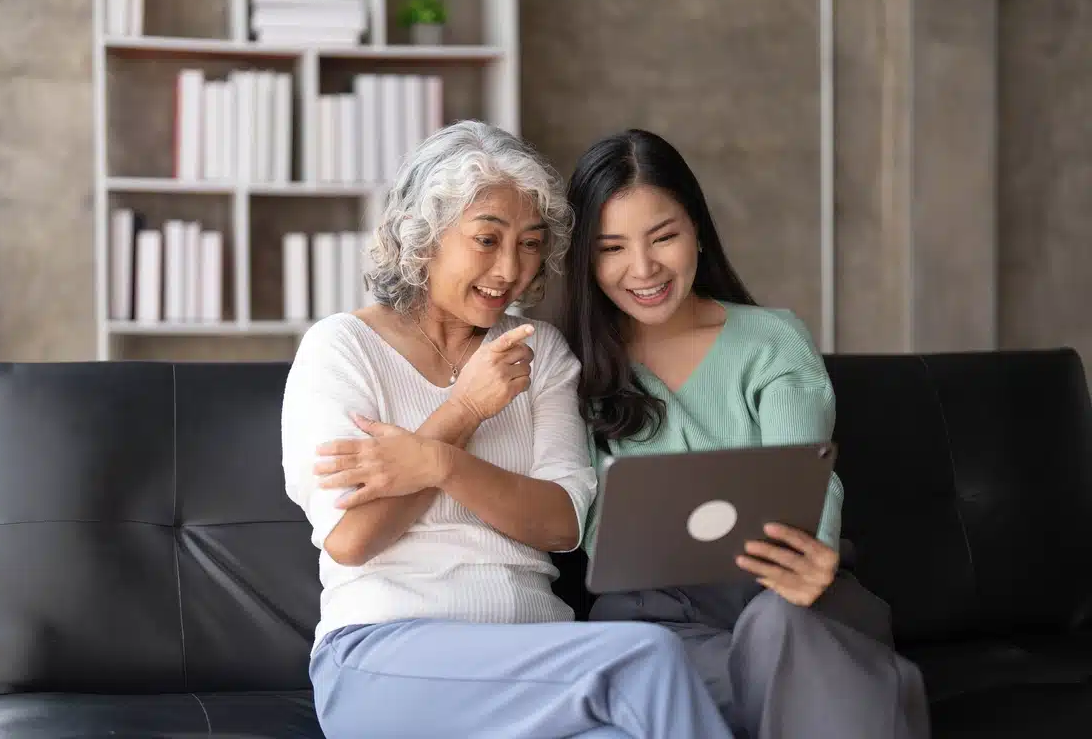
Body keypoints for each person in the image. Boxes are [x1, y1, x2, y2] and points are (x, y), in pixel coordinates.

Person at [282, 120, 733, 739]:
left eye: (529, 244)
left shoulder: (538, 351)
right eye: (486, 239)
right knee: (648, 657)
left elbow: (563, 524)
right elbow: (352, 539)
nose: (510, 269)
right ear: (425, 239)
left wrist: (439, 464)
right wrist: (465, 410)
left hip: (537, 661)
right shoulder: (342, 349)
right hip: (384, 659)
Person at [559, 128, 932, 739]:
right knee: (691, 672)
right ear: (585, 260)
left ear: (698, 232)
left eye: (664, 237)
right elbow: (580, 519)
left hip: (791, 589)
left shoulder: (771, 341)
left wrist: (814, 556)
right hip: (660, 621)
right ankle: (876, 690)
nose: (643, 268)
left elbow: (808, 474)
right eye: (612, 248)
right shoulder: (571, 366)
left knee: (779, 629)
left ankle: (859, 684)